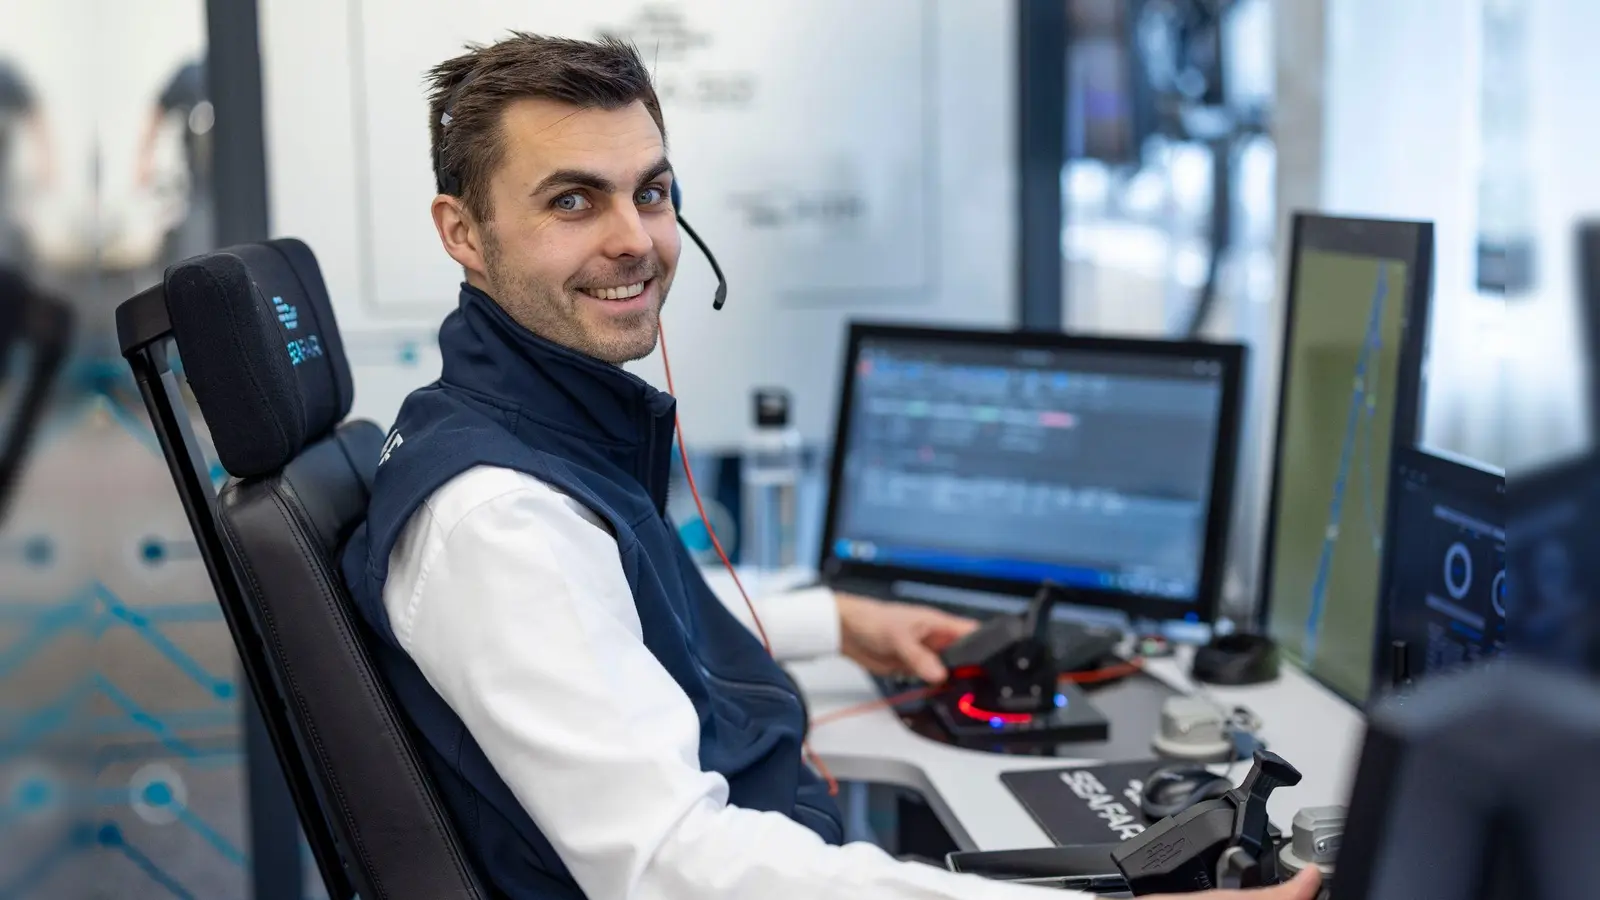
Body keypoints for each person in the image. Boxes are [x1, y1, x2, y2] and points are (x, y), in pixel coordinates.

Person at [339, 32, 1324, 900]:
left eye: (651, 191)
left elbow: (627, 617)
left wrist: (845, 620)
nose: (634, 240)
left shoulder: (522, 433)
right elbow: (671, 869)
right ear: (462, 232)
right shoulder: (499, 520)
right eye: (572, 201)